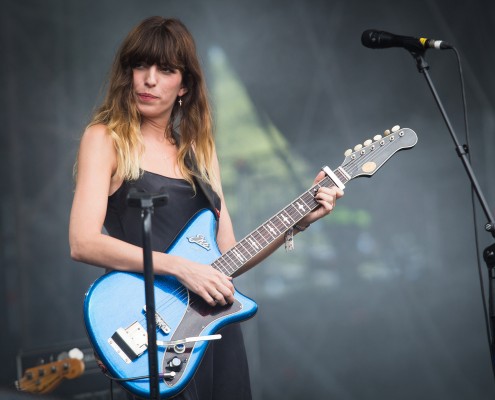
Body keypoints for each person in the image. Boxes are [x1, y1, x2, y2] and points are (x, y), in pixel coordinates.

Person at [69, 16, 343, 400]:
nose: (149, 79)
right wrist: (181, 268)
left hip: (213, 327)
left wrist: (298, 223)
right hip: (154, 328)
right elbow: (82, 242)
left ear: (184, 84)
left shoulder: (199, 150)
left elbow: (228, 256)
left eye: (165, 70)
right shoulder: (105, 139)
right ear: (127, 73)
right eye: (140, 66)